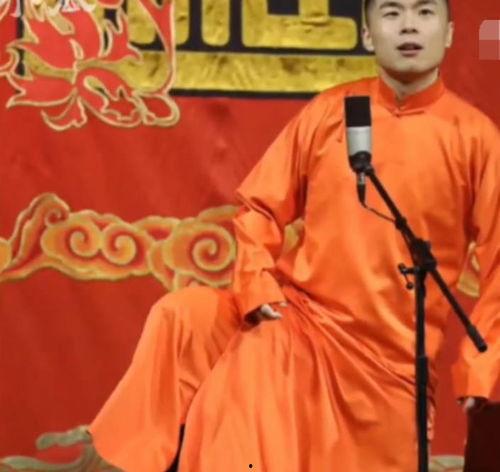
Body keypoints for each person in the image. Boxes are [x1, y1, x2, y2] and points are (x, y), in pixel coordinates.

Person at [89, 0, 500, 470]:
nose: (408, 26)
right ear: (368, 36)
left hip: (388, 365)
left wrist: (483, 364)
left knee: (254, 360)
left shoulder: (477, 139)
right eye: (391, 13)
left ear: (449, 34)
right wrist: (256, 284)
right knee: (184, 318)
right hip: (304, 321)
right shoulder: (330, 114)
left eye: (424, 13)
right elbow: (260, 208)